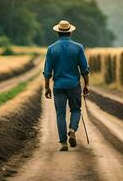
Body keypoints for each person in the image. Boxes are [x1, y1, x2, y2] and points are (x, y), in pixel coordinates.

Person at [43, 20, 90, 151]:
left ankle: (63, 143)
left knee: (60, 114)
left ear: (58, 32)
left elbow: (47, 72)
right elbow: (84, 69)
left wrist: (47, 87)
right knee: (76, 110)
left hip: (58, 86)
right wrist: (87, 84)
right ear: (69, 32)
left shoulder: (51, 49)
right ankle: (72, 130)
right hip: (74, 85)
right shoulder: (78, 47)